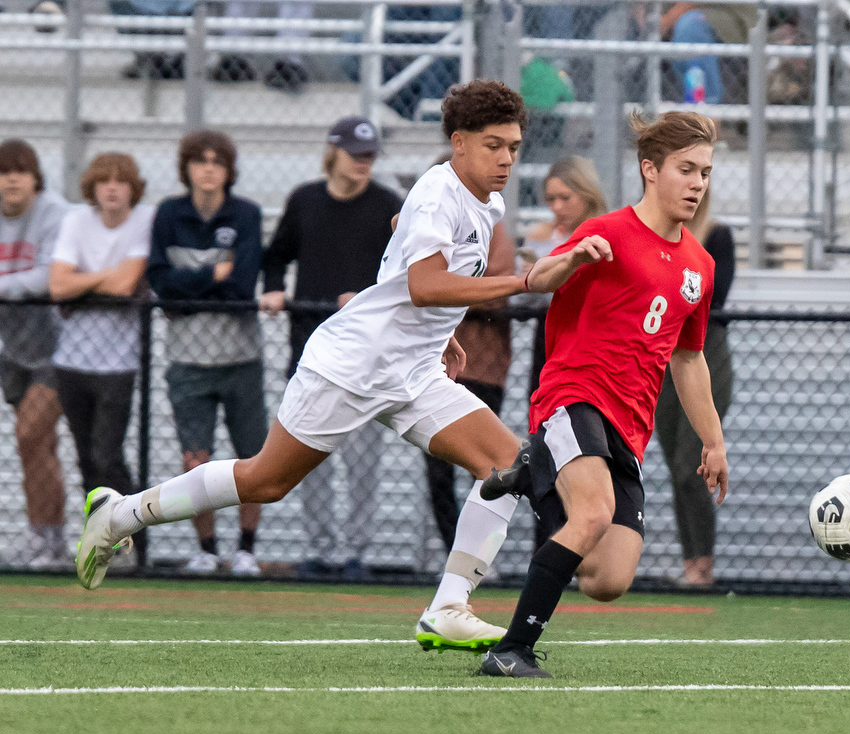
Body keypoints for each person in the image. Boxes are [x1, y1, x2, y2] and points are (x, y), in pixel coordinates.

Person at [76, 80, 533, 656]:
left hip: (412, 370)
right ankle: (119, 515)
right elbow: (422, 285)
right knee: (265, 480)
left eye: (514, 146)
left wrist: (440, 333)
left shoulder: (483, 203)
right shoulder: (437, 192)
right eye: (494, 145)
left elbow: (404, 257)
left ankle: (448, 608)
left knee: (509, 465)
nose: (507, 159)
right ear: (458, 142)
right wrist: (522, 280)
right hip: (352, 365)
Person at [480, 110, 728, 678]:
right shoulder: (606, 233)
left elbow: (688, 359)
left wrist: (713, 441)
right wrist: (569, 258)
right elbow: (537, 280)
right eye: (686, 170)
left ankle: (536, 475)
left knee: (607, 580)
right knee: (590, 514)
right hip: (575, 395)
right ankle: (511, 651)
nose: (697, 183)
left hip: (629, 425)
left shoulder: (700, 265)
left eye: (705, 173)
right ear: (650, 169)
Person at [259, 116, 402, 579]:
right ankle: (322, 550)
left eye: (370, 156)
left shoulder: (387, 206)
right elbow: (277, 253)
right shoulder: (304, 200)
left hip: (369, 358)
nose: (363, 163)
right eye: (355, 154)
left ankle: (356, 552)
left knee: (363, 464)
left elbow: (406, 271)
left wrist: (365, 293)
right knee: (307, 458)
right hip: (310, 352)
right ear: (333, 152)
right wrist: (276, 289)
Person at [145, 129, 268, 578]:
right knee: (195, 460)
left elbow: (241, 287)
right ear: (187, 168)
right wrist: (213, 274)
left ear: (229, 169)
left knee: (252, 458)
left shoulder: (247, 214)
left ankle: (246, 550)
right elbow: (160, 281)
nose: (209, 168)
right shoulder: (168, 214)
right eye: (200, 160)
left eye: (218, 161)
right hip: (187, 360)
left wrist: (189, 286)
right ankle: (207, 549)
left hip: (240, 356)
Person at [48, 153, 154, 571]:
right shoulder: (76, 221)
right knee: (86, 459)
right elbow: (57, 284)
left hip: (118, 363)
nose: (111, 188)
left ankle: (132, 542)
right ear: (91, 186)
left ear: (133, 187)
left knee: (108, 456)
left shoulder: (144, 219)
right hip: (70, 360)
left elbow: (128, 283)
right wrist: (103, 280)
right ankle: (99, 544)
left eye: (120, 181)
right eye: (103, 181)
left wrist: (83, 284)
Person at [513, 156, 607, 551]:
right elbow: (526, 299)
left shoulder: (604, 233)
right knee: (544, 451)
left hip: (593, 353)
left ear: (585, 195)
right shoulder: (541, 235)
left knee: (590, 456)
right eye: (550, 198)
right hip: (550, 350)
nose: (557, 208)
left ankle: (584, 548)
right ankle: (548, 546)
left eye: (565, 197)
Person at [653, 184, 734, 587]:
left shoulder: (714, 237)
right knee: (675, 466)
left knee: (691, 464)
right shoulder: (654, 241)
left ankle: (703, 563)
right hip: (662, 358)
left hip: (703, 353)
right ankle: (692, 562)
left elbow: (711, 302)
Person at [424, 217, 516, 552]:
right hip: (433, 368)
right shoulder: (429, 223)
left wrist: (443, 289)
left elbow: (502, 287)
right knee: (438, 469)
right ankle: (452, 552)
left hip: (484, 371)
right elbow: (415, 283)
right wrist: (442, 287)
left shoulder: (492, 225)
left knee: (489, 467)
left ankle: (480, 553)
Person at [0, 138, 68, 569]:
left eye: (20, 171)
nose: (11, 179)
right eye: (4, 172)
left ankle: (48, 536)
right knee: (35, 447)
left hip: (55, 348)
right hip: (10, 348)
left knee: (30, 435)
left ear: (35, 178)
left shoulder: (53, 212)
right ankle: (45, 538)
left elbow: (48, 275)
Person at [661, 3, 755, 105]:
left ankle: (705, 111)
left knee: (690, 28)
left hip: (732, 15)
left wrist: (669, 18)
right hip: (675, 16)